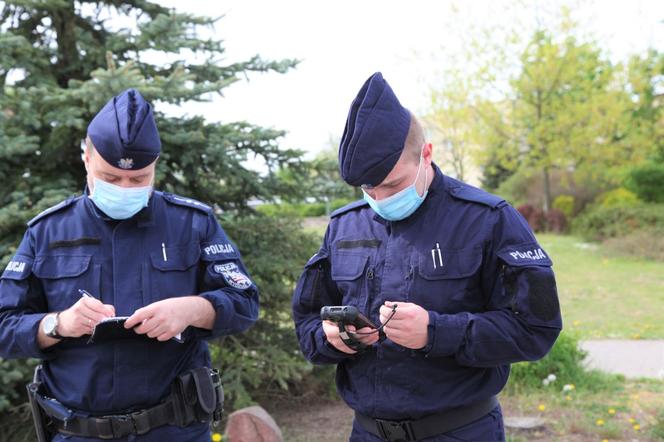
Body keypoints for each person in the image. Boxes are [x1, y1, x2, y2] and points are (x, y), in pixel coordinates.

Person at [292, 72, 562, 442]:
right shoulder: (344, 226)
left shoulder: (488, 218)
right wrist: (333, 338)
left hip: (459, 431)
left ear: (427, 154)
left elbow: (536, 329)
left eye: (394, 184)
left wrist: (436, 332)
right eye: (369, 188)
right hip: (368, 432)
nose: (381, 198)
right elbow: (307, 324)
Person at [0, 89, 259, 441]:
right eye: (110, 177)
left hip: (175, 429)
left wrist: (194, 309)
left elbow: (245, 302)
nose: (124, 187)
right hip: (79, 432)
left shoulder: (192, 223)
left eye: (139, 179)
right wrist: (58, 324)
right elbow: (4, 325)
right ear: (87, 157)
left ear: (154, 166)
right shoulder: (48, 231)